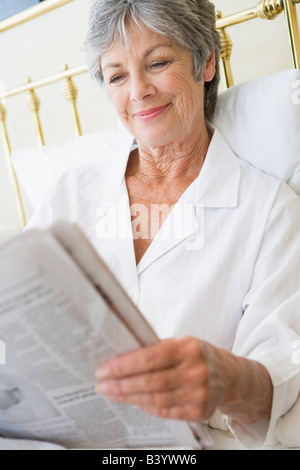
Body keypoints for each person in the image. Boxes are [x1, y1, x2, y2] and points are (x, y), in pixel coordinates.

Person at [27, 0, 300, 449]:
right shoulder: (69, 194)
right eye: (116, 75)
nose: (138, 91)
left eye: (157, 63)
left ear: (207, 60)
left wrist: (227, 379)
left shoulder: (269, 210)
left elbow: (283, 371)